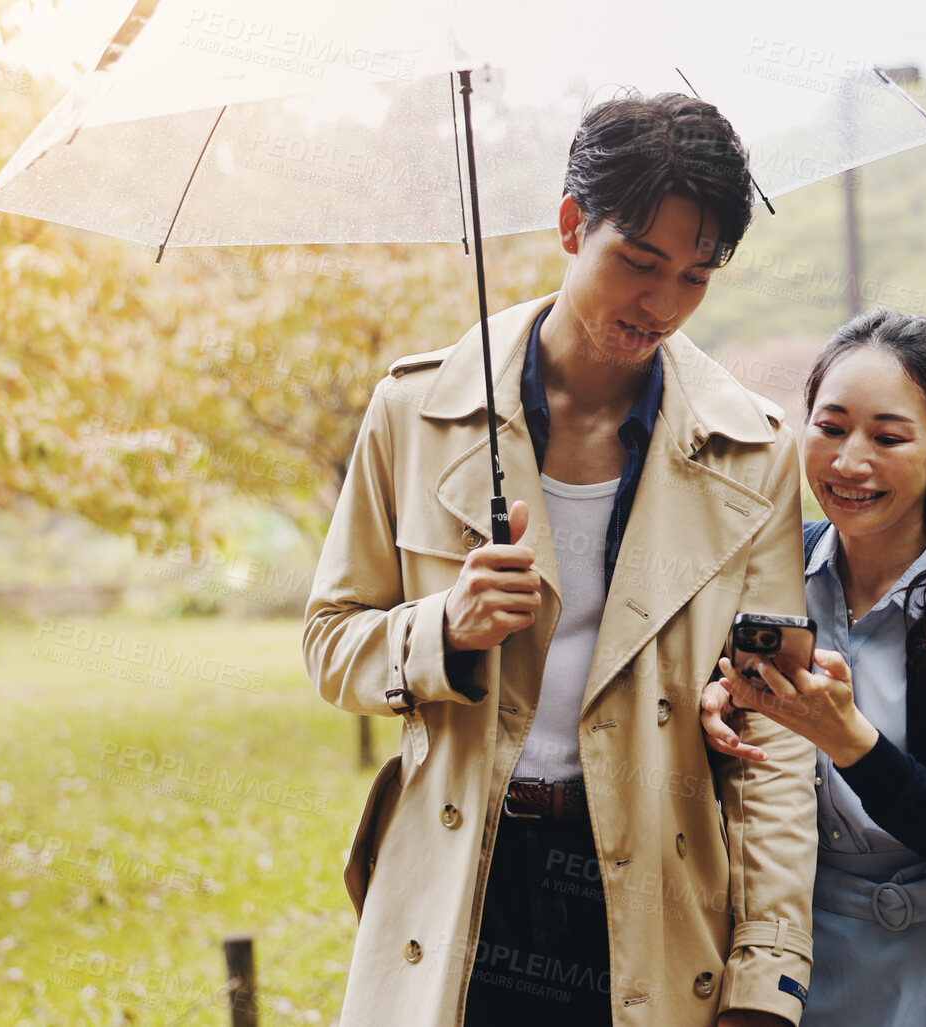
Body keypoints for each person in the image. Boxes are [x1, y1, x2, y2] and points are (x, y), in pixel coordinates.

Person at [305, 93, 816, 1027]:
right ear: (572, 226)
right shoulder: (413, 413)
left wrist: (766, 973)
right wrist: (441, 631)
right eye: (640, 262)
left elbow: (774, 731)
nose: (662, 305)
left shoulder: (755, 449)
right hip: (460, 884)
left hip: (653, 899)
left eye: (697, 277)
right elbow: (330, 643)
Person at [700, 309, 926, 1025]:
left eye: (887, 437)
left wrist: (847, 737)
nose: (848, 461)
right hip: (783, 953)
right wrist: (710, 706)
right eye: (829, 427)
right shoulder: (772, 566)